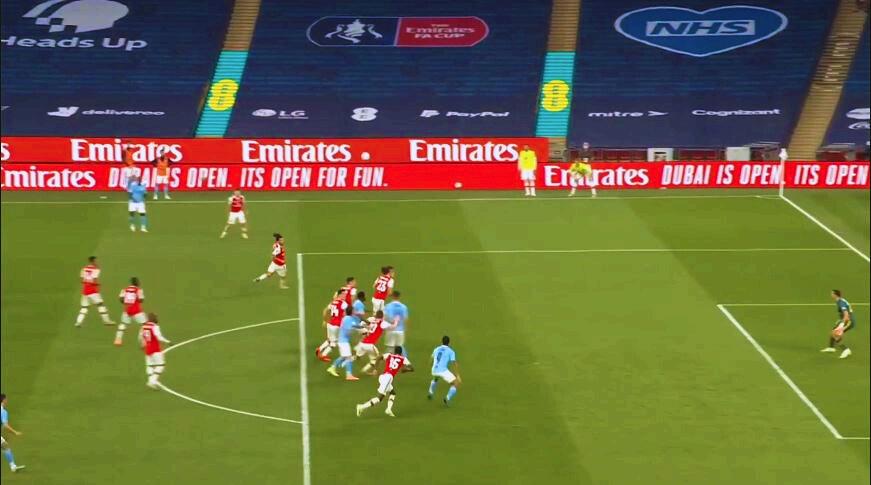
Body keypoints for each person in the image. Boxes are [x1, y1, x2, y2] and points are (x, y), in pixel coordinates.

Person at [356, 347, 412, 418]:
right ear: (401, 353)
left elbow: (379, 357)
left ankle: (388, 409)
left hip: (383, 376)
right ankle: (361, 407)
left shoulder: (389, 355)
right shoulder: (403, 359)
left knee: (393, 393)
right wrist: (406, 370)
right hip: (388, 378)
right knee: (380, 398)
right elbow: (411, 368)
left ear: (394, 351)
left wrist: (375, 369)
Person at [75, 256, 115, 327]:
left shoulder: (84, 269)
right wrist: (97, 284)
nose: (97, 262)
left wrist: (87, 283)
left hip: (85, 291)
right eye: (96, 261)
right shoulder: (96, 269)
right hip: (93, 291)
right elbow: (94, 280)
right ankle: (106, 321)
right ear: (93, 261)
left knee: (84, 307)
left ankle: (78, 322)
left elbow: (82, 280)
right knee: (100, 305)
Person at [326, 307, 363, 381]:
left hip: (342, 341)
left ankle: (332, 368)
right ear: (351, 312)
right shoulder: (348, 319)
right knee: (349, 357)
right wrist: (356, 331)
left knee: (343, 357)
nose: (355, 311)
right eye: (354, 310)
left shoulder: (347, 318)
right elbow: (349, 329)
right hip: (343, 342)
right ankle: (349, 375)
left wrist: (361, 327)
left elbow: (354, 325)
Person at [139, 313, 171, 389]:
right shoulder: (155, 327)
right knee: (161, 365)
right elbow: (158, 337)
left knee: (150, 365)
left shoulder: (144, 326)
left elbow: (141, 336)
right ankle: (152, 381)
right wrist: (168, 342)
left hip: (147, 348)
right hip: (155, 348)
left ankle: (150, 381)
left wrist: (142, 344)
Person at [821, 290, 855, 359]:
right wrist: (840, 321)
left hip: (848, 321)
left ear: (835, 295)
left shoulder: (841, 303)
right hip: (845, 320)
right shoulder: (840, 301)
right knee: (833, 332)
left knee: (835, 334)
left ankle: (846, 350)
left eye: (832, 293)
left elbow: (846, 314)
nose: (831, 295)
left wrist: (842, 324)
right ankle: (831, 348)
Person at [428, 336, 461, 405]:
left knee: (436, 378)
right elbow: (454, 363)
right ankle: (447, 398)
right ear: (449, 343)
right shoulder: (451, 351)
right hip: (443, 371)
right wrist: (457, 375)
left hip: (434, 369)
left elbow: (431, 360)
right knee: (456, 383)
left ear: (441, 342)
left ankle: (430, 392)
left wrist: (432, 367)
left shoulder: (436, 349)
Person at [317, 291, 349, 362]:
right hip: (336, 325)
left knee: (329, 340)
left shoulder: (333, 302)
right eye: (343, 294)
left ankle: (319, 349)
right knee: (334, 343)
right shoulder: (343, 303)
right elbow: (345, 314)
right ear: (339, 295)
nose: (345, 296)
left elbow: (326, 310)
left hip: (330, 323)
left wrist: (325, 320)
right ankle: (323, 355)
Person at [358, 311, 393, 375]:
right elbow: (392, 327)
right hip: (370, 345)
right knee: (378, 358)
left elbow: (361, 324)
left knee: (360, 357)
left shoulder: (371, 319)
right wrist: (396, 321)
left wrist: (366, 330)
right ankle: (368, 370)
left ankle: (351, 360)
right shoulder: (383, 323)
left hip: (362, 343)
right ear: (382, 316)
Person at [114, 277, 147, 346]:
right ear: (136, 283)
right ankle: (142, 342)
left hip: (127, 310)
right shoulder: (139, 290)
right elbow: (141, 300)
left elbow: (121, 299)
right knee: (144, 325)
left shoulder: (124, 289)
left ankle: (118, 339)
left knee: (123, 324)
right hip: (137, 311)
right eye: (138, 282)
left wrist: (127, 302)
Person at [1, 393, 25, 472]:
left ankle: (13, 466)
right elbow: (5, 425)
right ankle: (13, 466)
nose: (7, 400)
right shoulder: (3, 411)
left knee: (5, 446)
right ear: (3, 400)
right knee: (5, 447)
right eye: (6, 399)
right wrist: (15, 432)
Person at [383, 291, 409, 359]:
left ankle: (387, 361)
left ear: (392, 296)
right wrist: (404, 328)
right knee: (400, 347)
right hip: (400, 330)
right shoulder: (404, 307)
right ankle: (405, 361)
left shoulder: (387, 306)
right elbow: (405, 319)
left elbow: (385, 318)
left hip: (390, 330)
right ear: (399, 297)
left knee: (390, 348)